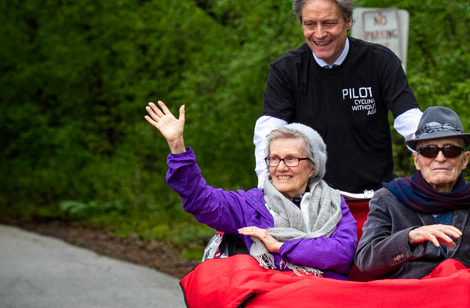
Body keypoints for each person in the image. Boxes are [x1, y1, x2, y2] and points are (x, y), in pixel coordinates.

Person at [144, 100, 357, 280]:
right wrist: (178, 148)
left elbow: (342, 253)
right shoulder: (250, 205)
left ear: (312, 167)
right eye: (274, 159)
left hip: (329, 301)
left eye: (291, 159)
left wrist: (280, 247)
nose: (280, 167)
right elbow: (201, 201)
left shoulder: (333, 203)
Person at [254, 0, 422, 195]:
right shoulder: (286, 70)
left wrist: (436, 156)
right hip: (310, 199)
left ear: (348, 21)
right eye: (310, 24)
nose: (320, 34)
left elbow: (411, 120)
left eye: (329, 23)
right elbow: (269, 131)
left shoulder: (380, 61)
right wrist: (264, 187)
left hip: (373, 198)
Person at [353, 106, 470, 280]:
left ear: (464, 160)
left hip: (464, 301)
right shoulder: (388, 200)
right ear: (417, 160)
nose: (440, 158)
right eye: (429, 151)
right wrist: (410, 237)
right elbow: (365, 261)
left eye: (451, 150)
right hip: (409, 301)